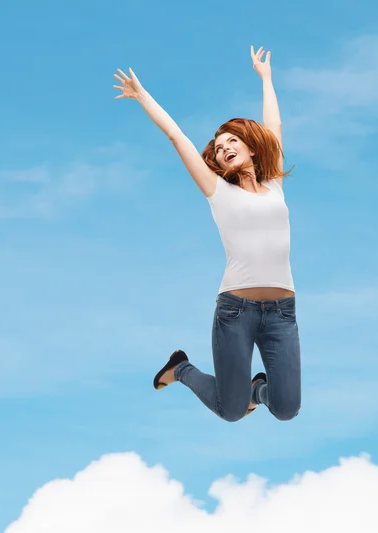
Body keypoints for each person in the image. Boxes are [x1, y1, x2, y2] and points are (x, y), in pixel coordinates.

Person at [113, 45, 301, 422]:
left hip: (282, 311)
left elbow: (273, 127)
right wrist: (141, 95)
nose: (225, 148)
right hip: (236, 310)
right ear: (215, 162)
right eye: (218, 148)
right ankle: (180, 368)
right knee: (230, 412)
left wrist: (266, 79)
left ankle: (256, 389)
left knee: (286, 408)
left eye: (232, 141)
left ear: (250, 146)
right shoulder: (218, 191)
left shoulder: (275, 183)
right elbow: (175, 135)